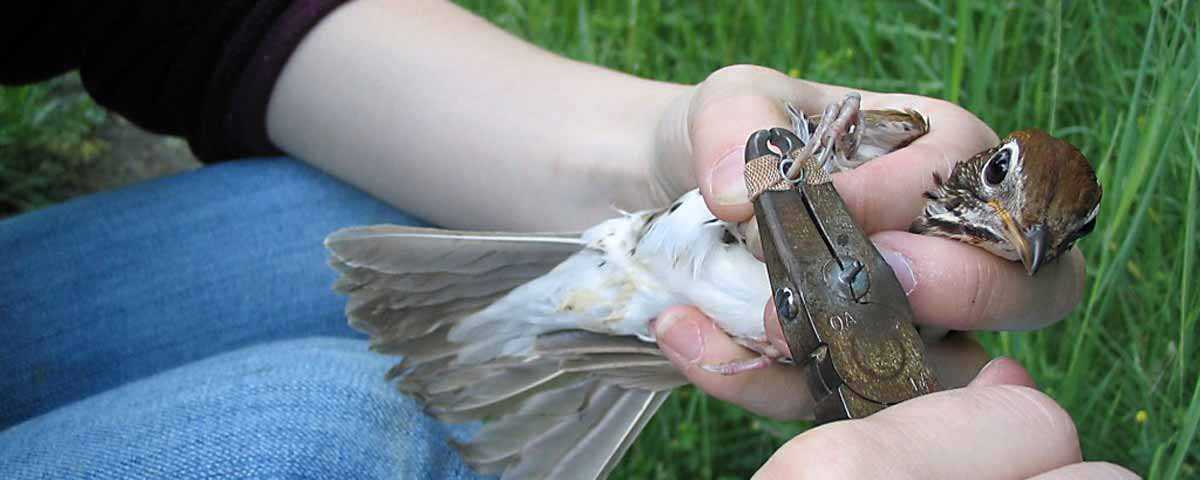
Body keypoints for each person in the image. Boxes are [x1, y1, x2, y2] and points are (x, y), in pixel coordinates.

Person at [0, 1, 1135, 478]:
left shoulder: (915, 197)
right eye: (1003, 185)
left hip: (672, 278)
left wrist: (663, 135)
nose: (1013, 229)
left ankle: (572, 339)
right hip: (679, 275)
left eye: (1051, 230)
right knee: (323, 433)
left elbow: (214, 23)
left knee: (352, 209)